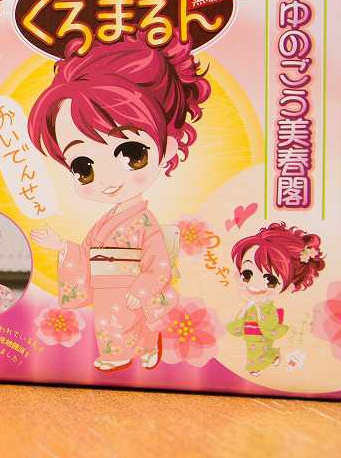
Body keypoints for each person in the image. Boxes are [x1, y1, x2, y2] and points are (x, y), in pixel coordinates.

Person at [28, 30, 211, 372]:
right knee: (110, 324)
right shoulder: (104, 223)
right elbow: (86, 252)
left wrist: (142, 289)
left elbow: (158, 264)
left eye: (131, 153)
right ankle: (133, 349)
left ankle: (141, 348)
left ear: (167, 150)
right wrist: (63, 247)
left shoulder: (143, 222)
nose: (107, 178)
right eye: (83, 167)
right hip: (106, 288)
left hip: (132, 285)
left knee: (128, 321)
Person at [227, 223, 325, 375]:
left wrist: (260, 310)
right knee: (254, 349)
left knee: (257, 352)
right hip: (250, 334)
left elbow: (269, 325)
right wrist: (242, 316)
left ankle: (256, 366)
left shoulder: (266, 306)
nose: (255, 284)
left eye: (270, 280)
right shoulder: (251, 303)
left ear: (289, 286)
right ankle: (272, 356)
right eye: (247, 274)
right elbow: (240, 319)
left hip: (262, 333)